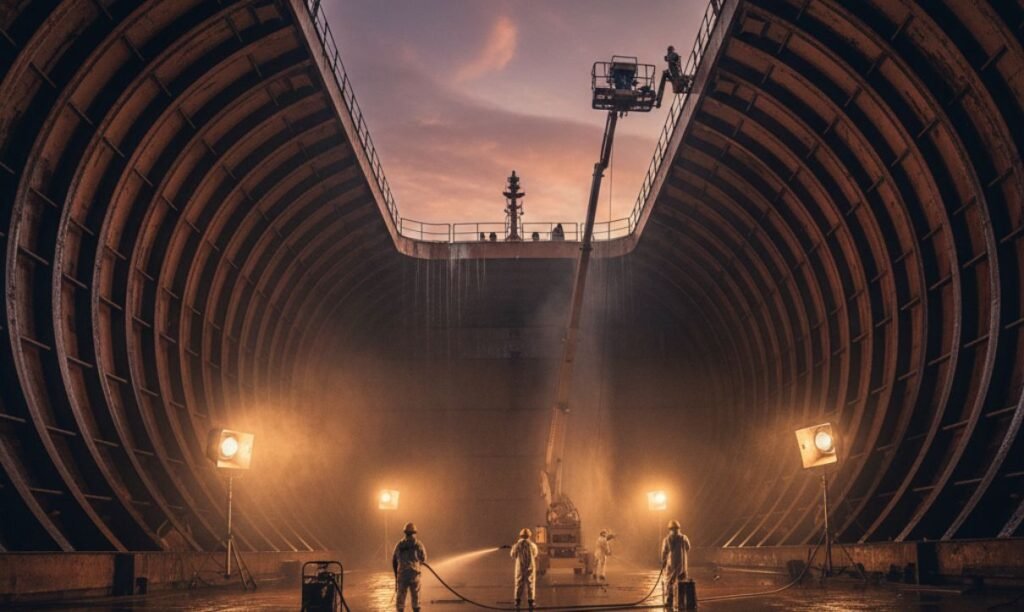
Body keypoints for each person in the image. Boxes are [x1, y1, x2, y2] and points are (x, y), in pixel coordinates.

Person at [393, 522, 427, 612]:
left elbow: (394, 560)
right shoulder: (418, 545)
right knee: (416, 600)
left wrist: (396, 577)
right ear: (415, 532)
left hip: (402, 575)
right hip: (414, 575)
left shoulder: (399, 544)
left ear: (405, 532)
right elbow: (423, 559)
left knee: (400, 602)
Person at [661, 520, 691, 610]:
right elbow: (688, 548)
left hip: (675, 565)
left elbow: (664, 553)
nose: (675, 530)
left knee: (671, 583)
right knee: (679, 584)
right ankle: (679, 602)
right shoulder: (683, 538)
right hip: (680, 566)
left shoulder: (668, 539)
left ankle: (671, 601)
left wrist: (663, 562)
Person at [511, 527, 539, 611]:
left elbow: (513, 555)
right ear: (529, 536)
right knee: (531, 584)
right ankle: (531, 602)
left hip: (520, 568)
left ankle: (517, 602)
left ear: (520, 535)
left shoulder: (517, 545)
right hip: (530, 567)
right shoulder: (533, 545)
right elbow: (535, 554)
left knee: (518, 584)